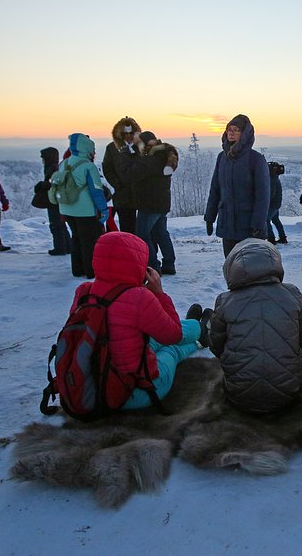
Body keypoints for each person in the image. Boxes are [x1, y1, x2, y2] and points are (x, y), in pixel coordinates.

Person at [68, 232, 209, 410]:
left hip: (90, 387)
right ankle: (200, 333)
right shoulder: (138, 297)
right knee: (171, 348)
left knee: (153, 337)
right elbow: (173, 335)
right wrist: (158, 293)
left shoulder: (84, 291)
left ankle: (197, 329)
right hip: (135, 392)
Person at [209, 238, 302, 414]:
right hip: (288, 392)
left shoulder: (224, 301)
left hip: (239, 394)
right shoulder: (292, 293)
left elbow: (216, 346)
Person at [204, 115, 270, 257]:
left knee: (251, 271)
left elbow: (263, 196)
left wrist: (257, 225)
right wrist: (210, 216)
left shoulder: (255, 159)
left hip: (249, 226)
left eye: (236, 130)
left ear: (245, 134)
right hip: (227, 225)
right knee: (231, 267)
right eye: (229, 129)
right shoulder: (222, 158)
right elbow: (215, 189)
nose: (231, 133)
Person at [56, 133, 108, 278]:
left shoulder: (64, 164)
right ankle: (91, 271)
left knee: (76, 238)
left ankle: (77, 269)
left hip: (67, 208)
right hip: (85, 210)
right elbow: (96, 190)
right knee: (89, 241)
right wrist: (103, 209)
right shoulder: (88, 166)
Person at [128, 131, 179, 275]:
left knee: (142, 234)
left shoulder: (151, 158)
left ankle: (153, 266)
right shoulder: (163, 154)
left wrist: (134, 156)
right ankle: (169, 264)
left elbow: (135, 173)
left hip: (149, 203)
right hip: (161, 202)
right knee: (161, 233)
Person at [102, 117, 141, 234]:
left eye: (131, 133)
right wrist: (118, 184)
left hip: (141, 193)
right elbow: (107, 168)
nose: (129, 136)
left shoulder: (140, 146)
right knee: (127, 228)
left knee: (143, 229)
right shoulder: (112, 148)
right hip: (122, 194)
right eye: (125, 133)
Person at [35, 147, 72, 255]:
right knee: (60, 224)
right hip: (57, 200)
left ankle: (60, 248)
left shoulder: (52, 168)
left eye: (44, 158)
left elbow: (55, 183)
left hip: (54, 201)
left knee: (56, 225)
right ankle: (67, 246)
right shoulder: (54, 167)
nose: (42, 160)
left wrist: (43, 185)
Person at [267, 162, 288, 244]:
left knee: (266, 220)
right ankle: (283, 237)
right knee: (276, 220)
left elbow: (270, 194)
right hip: (276, 204)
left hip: (272, 205)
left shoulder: (272, 179)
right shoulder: (275, 178)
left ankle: (271, 239)